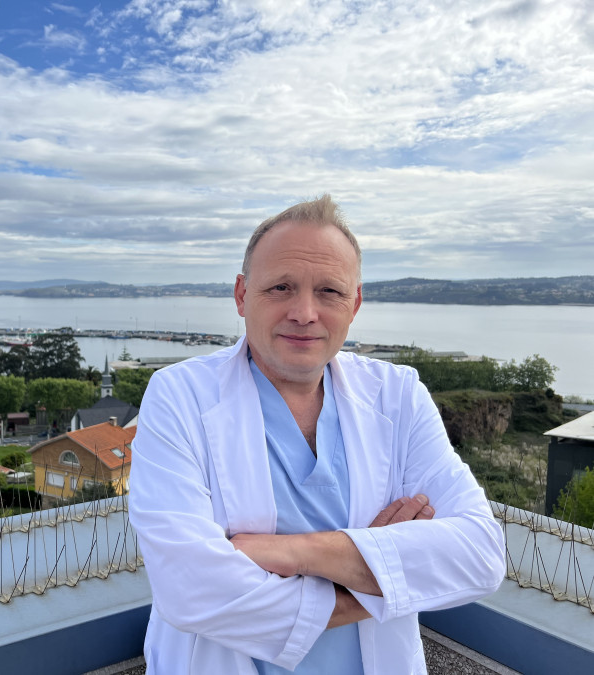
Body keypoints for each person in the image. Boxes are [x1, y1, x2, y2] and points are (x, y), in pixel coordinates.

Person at [128, 195, 505, 674]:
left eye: (329, 291)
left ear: (356, 303)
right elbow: (191, 590)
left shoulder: (398, 395)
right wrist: (384, 572)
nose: (305, 312)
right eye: (281, 287)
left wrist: (294, 552)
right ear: (242, 295)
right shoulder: (179, 396)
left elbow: (480, 555)